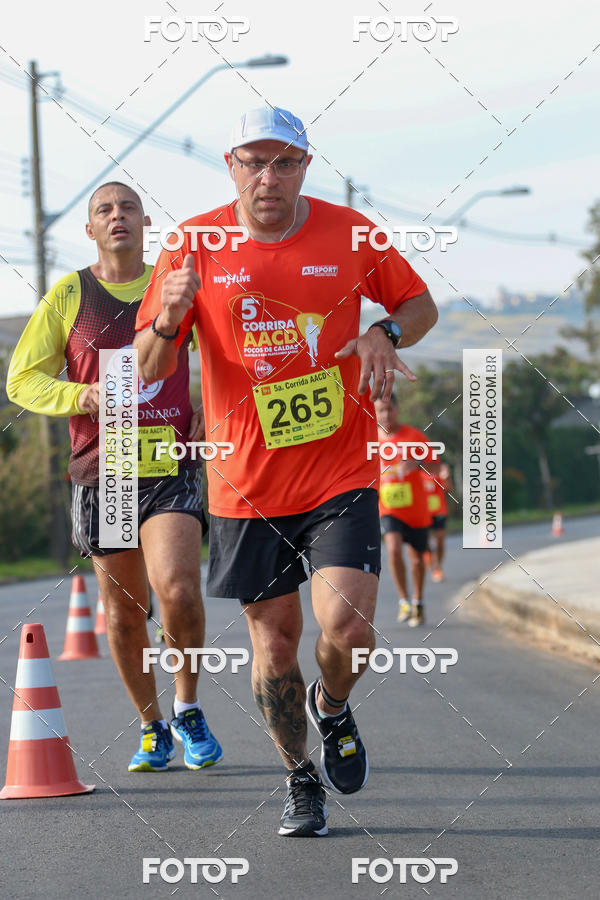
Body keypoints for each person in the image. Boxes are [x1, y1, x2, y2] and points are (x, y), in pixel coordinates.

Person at [133, 106, 438, 836]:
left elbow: (419, 304)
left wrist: (382, 329)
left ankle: (331, 708)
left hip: (341, 469)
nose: (268, 177)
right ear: (230, 163)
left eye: (285, 162)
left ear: (307, 164)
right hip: (246, 484)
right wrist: (170, 321)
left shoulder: (351, 232)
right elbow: (148, 369)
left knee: (349, 625)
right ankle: (300, 781)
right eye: (254, 161)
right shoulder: (194, 243)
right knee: (273, 642)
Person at [6, 182, 222, 773]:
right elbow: (21, 380)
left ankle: (188, 706)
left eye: (127, 207)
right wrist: (84, 393)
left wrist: (210, 408)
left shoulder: (172, 284)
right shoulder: (70, 293)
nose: (117, 216)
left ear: (146, 221)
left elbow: (225, 355)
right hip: (105, 471)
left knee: (178, 588)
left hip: (168, 465)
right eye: (105, 209)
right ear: (91, 228)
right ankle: (151, 726)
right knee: (126, 611)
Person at [374, 394, 441, 626]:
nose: (385, 415)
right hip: (388, 507)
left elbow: (438, 465)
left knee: (416, 559)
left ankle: (418, 602)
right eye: (380, 410)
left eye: (389, 409)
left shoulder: (414, 437)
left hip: (416, 509)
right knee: (392, 549)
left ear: (397, 409)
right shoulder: (371, 440)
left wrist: (419, 463)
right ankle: (403, 600)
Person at [422, 463, 453, 582]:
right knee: (424, 541)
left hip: (439, 511)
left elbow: (448, 488)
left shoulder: (440, 468)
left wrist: (447, 477)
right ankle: (428, 555)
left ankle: (437, 568)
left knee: (440, 540)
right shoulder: (415, 468)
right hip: (423, 512)